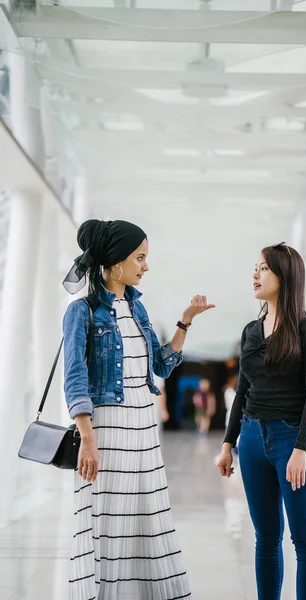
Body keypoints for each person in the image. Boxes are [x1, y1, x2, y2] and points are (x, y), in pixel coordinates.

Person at [62, 219, 215, 600]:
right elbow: (75, 378)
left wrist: (185, 322)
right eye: (140, 258)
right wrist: (86, 439)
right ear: (116, 263)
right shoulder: (81, 312)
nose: (146, 267)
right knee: (107, 521)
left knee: (147, 517)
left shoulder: (139, 311)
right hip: (106, 430)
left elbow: (161, 367)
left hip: (143, 429)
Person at [216, 242, 306, 600]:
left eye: (263, 268)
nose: (255, 274)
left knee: (305, 538)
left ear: (285, 276)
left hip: (295, 439)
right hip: (252, 438)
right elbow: (242, 391)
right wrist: (227, 444)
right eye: (256, 267)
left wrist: (300, 449)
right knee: (265, 537)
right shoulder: (251, 329)